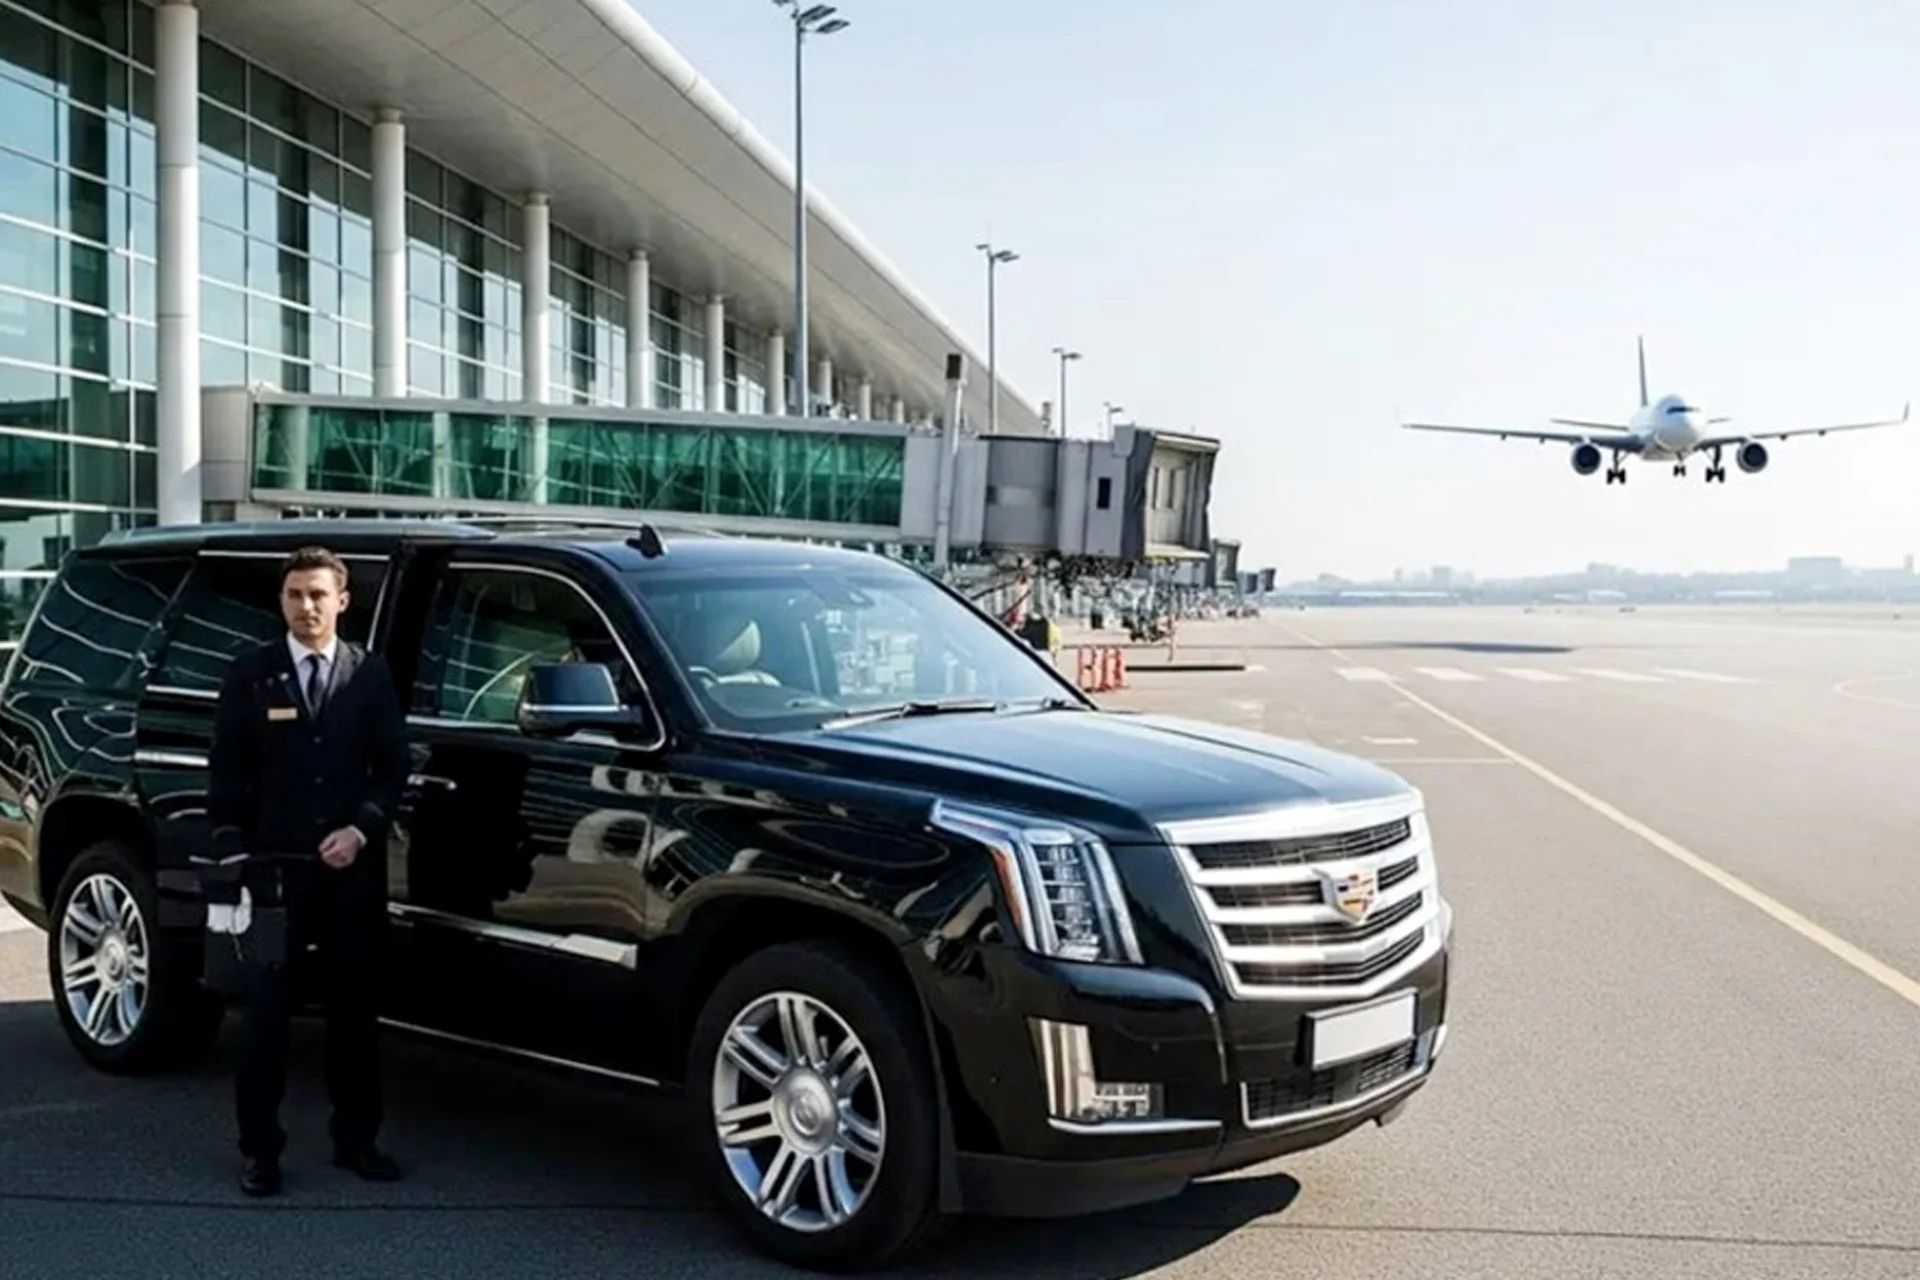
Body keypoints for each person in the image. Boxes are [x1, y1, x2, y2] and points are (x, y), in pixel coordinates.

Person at [206, 545, 410, 1197]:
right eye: (295, 594)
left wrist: (361, 828)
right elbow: (227, 770)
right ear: (282, 601)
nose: (306, 606)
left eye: (318, 594)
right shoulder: (251, 673)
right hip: (273, 879)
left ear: (342, 601)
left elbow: (393, 768)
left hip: (350, 877)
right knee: (265, 1016)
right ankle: (260, 1152)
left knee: (355, 1014)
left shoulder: (369, 673)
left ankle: (357, 1141)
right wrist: (234, 850)